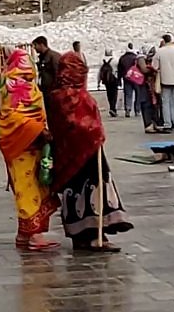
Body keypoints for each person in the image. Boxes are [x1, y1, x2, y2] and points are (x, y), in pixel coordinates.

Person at [47, 54, 133, 251]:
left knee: (74, 191)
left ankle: (79, 236)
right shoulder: (76, 96)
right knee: (92, 190)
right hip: (87, 152)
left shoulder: (55, 95)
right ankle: (95, 235)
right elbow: (80, 124)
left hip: (66, 154)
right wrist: (96, 132)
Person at [0, 49, 59, 252]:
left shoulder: (2, 84)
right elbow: (15, 116)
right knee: (29, 188)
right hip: (24, 143)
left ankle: (24, 234)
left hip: (20, 143)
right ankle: (35, 235)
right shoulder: (15, 86)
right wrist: (39, 129)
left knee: (25, 186)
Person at [117, 45, 140, 118]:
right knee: (138, 94)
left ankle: (128, 109)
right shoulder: (136, 57)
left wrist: (119, 79)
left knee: (128, 94)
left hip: (126, 79)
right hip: (136, 78)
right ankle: (137, 110)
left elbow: (119, 70)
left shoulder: (122, 58)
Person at [97, 50, 120, 118]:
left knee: (109, 94)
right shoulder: (115, 60)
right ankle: (113, 108)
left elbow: (99, 72)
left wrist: (98, 82)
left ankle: (111, 107)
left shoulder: (102, 61)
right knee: (114, 94)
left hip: (106, 80)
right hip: (114, 79)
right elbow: (119, 69)